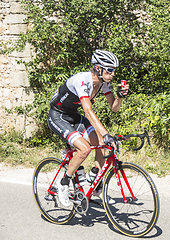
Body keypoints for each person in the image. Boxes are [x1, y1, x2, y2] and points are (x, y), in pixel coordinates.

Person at [48, 49, 129, 207]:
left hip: (72, 115)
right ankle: (63, 183)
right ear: (98, 68)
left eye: (114, 70)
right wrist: (106, 133)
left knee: (101, 144)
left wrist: (119, 96)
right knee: (85, 149)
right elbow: (88, 111)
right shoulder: (82, 80)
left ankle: (95, 184)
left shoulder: (104, 83)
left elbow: (114, 107)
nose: (112, 74)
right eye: (110, 70)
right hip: (58, 116)